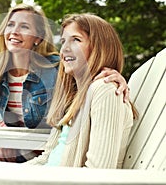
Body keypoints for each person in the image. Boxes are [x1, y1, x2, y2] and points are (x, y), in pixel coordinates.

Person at [0, 4, 129, 163]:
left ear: (38, 37)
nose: (14, 31)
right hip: (30, 150)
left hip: (37, 148)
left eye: (24, 26)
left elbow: (89, 81)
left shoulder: (57, 68)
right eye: (10, 24)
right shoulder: (0, 71)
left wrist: (115, 76)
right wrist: (6, 136)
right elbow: (8, 119)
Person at [25, 13, 138, 168]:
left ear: (100, 47)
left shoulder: (106, 91)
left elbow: (98, 173)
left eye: (76, 40)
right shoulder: (73, 97)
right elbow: (47, 158)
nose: (64, 48)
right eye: (63, 41)